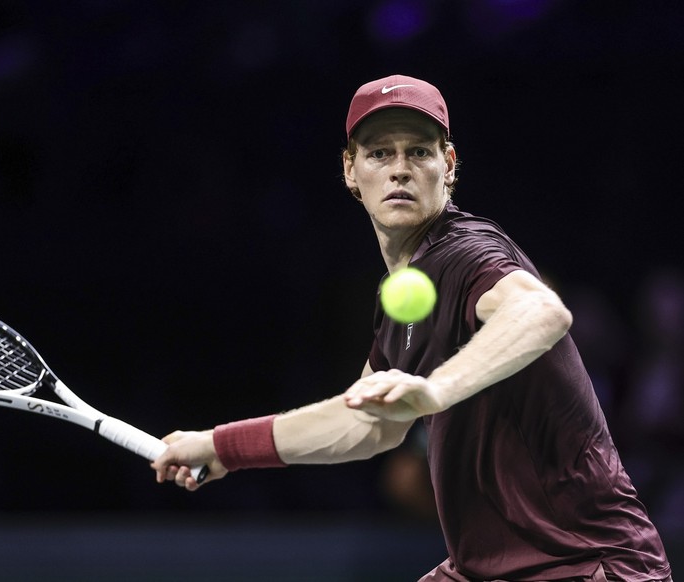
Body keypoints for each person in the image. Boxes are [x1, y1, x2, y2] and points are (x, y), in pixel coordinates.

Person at [151, 74, 673, 582]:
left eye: (419, 152)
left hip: (587, 565)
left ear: (448, 166)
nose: (400, 169)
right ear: (351, 170)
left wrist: (432, 389)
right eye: (379, 153)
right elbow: (365, 424)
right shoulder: (403, 299)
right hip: (488, 568)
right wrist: (223, 446)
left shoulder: (467, 252)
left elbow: (542, 313)